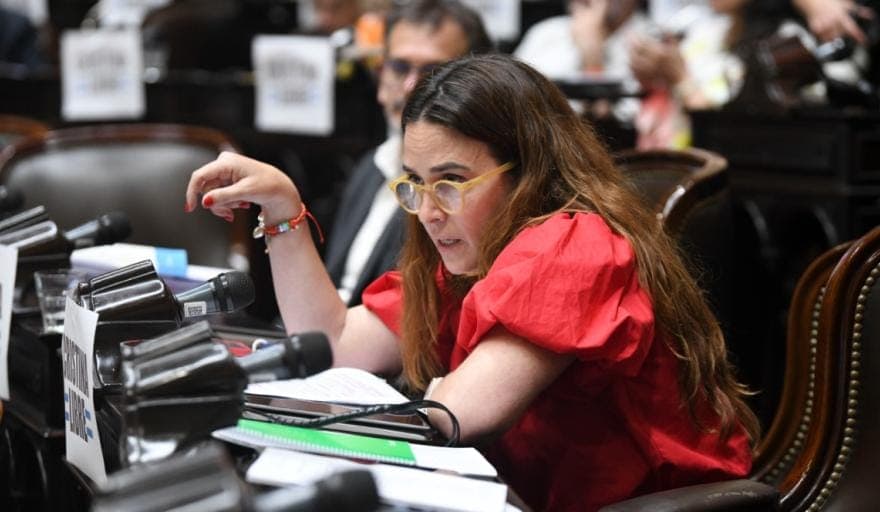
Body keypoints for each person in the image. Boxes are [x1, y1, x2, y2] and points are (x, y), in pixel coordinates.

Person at [185, 53, 758, 511]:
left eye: (451, 181)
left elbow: (455, 414)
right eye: (415, 182)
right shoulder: (471, 255)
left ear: (527, 173)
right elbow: (332, 342)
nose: (428, 211)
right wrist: (283, 210)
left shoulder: (573, 245)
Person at [324, 0, 492, 306]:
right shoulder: (369, 166)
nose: (411, 86)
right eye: (399, 67)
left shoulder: (469, 190)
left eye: (433, 72)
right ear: (380, 77)